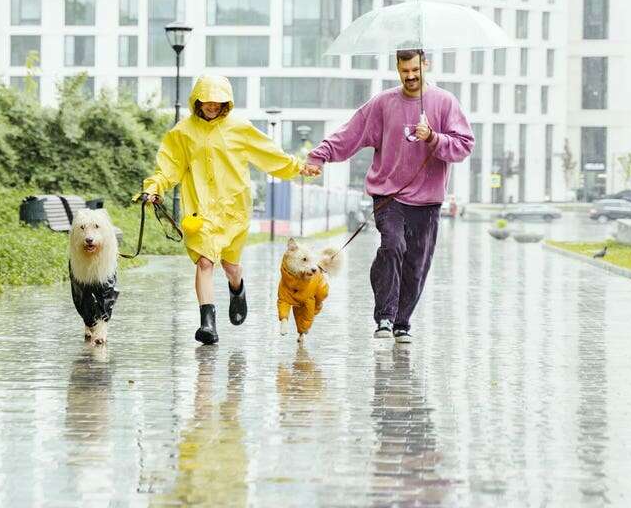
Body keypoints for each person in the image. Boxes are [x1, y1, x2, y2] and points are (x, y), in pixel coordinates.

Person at [300, 49, 474, 344]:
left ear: (426, 66)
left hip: (428, 201)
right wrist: (319, 156)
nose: (410, 76)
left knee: (416, 264)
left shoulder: (445, 103)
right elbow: (350, 134)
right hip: (388, 195)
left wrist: (433, 137)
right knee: (393, 246)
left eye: (416, 70)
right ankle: (384, 315)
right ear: (397, 68)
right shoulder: (383, 104)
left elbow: (464, 145)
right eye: (404, 70)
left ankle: (402, 322)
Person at [142, 75, 304, 345]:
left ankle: (237, 288)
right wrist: (154, 187)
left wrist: (298, 167)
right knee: (205, 262)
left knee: (230, 266)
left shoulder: (239, 128)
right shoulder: (182, 132)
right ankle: (208, 323)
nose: (213, 106)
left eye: (218, 102)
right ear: (198, 100)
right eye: (208, 101)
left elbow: (269, 154)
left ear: (226, 102)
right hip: (200, 211)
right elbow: (169, 167)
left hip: (233, 209)